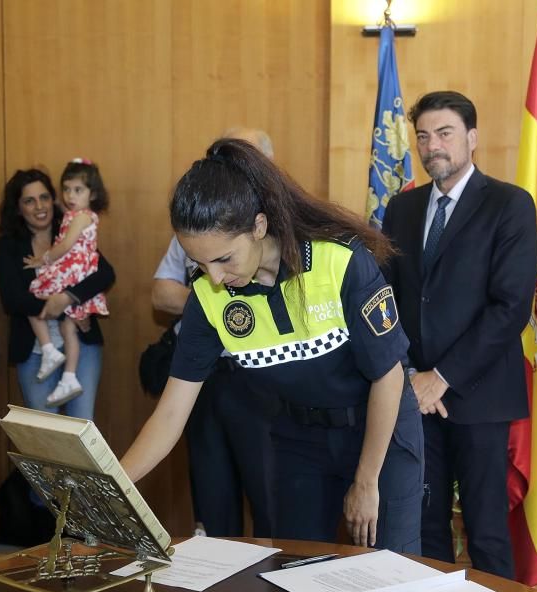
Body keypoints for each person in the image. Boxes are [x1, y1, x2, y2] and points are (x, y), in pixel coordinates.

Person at [123, 138, 423, 552]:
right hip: (300, 437)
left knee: (390, 573)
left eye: (224, 259)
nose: (213, 277)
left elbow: (388, 377)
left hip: (380, 431)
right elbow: (172, 413)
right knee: (296, 575)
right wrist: (112, 487)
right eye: (199, 263)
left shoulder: (338, 262)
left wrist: (366, 481)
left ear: (259, 227)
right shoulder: (210, 297)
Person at [381, 91, 537, 576]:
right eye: (423, 137)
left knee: (486, 529)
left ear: (472, 137)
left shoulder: (509, 205)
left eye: (444, 134)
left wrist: (441, 377)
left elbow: (509, 307)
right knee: (424, 525)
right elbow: (386, 301)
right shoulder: (401, 209)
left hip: (480, 393)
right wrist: (409, 374)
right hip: (414, 397)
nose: (433, 147)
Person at [151, 127, 276, 538]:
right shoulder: (200, 232)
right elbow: (161, 292)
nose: (215, 277)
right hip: (208, 375)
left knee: (271, 497)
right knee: (212, 490)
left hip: (263, 382)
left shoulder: (291, 243)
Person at [0, 168, 115, 421]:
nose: (39, 206)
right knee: (46, 434)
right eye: (29, 200)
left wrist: (68, 298)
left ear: (54, 199)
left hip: (81, 345)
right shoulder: (9, 244)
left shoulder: (71, 228)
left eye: (44, 197)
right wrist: (59, 308)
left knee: (82, 426)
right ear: (18, 208)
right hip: (35, 351)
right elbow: (12, 298)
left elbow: (105, 274)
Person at [26, 159, 110, 407]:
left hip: (72, 271)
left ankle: (50, 351)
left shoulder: (82, 217)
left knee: (37, 288)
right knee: (69, 327)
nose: (70, 196)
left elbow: (66, 246)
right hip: (73, 269)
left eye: (78, 190)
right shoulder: (74, 216)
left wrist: (45, 259)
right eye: (67, 189)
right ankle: (68, 374)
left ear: (92, 193)